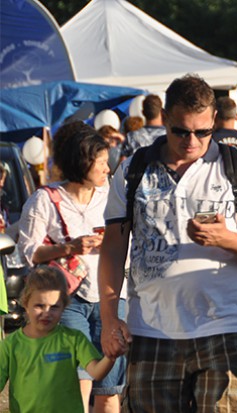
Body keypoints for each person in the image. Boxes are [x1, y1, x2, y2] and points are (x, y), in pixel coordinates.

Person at [98, 74, 237, 412]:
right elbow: (112, 249)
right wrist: (109, 317)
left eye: (203, 132)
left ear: (214, 122)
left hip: (224, 326)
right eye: (181, 130)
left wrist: (228, 239)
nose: (192, 141)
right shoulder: (133, 170)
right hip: (150, 329)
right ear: (164, 119)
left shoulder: (236, 168)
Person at [17, 123, 127, 413]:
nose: (107, 168)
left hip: (113, 297)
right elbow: (29, 252)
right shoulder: (46, 199)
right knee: (77, 382)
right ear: (83, 163)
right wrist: (69, 248)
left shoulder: (113, 196)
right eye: (101, 162)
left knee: (109, 385)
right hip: (68, 301)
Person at [0, 266, 123, 412]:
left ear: (64, 306)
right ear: (25, 304)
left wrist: (111, 357)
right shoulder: (11, 345)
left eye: (54, 307)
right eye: (39, 306)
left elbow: (96, 372)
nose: (46, 313)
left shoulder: (73, 339)